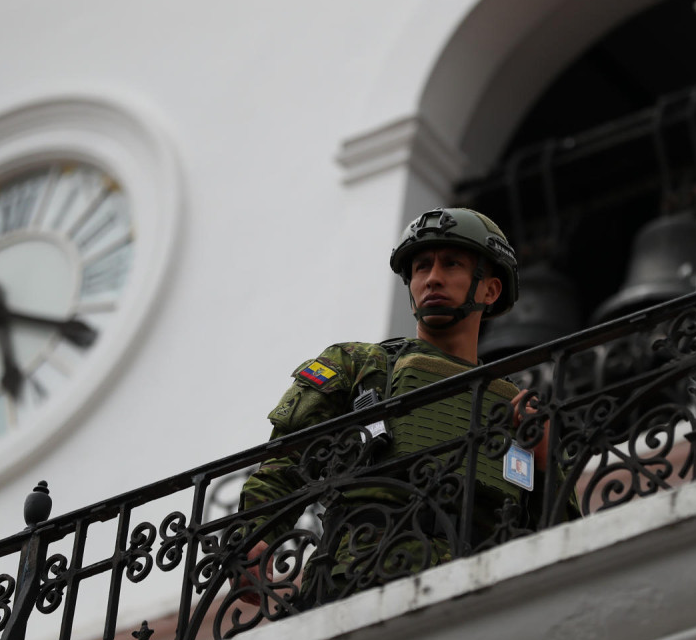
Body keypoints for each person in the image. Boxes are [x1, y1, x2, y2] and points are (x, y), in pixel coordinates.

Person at [234, 208, 574, 608]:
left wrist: (546, 463)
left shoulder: (518, 409)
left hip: (485, 591)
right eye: (420, 268)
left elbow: (564, 538)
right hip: (359, 581)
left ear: (490, 290)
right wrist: (254, 540)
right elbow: (286, 461)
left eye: (452, 264)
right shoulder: (359, 365)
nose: (432, 278)